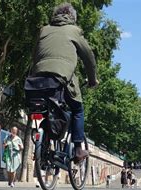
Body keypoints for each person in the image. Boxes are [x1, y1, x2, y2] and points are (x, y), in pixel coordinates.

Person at [31, 3, 98, 163]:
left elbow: (34, 55)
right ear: (72, 18)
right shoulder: (74, 31)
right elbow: (89, 58)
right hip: (60, 78)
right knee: (77, 109)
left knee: (47, 108)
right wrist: (92, 79)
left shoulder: (44, 30)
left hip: (36, 80)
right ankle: (78, 149)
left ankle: (45, 143)